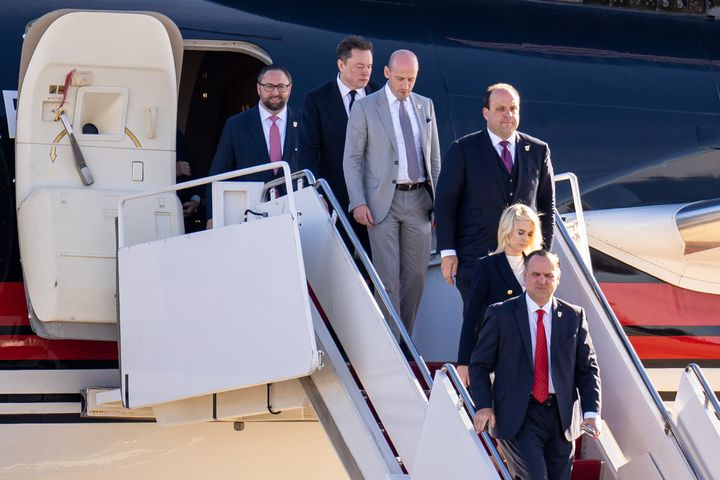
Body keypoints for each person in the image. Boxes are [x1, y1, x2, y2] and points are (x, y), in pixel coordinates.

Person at [470, 250, 601, 480]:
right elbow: (479, 365)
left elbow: (587, 369)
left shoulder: (574, 317)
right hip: (517, 417)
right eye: (536, 274)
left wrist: (591, 413)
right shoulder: (501, 314)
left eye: (549, 275)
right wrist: (484, 405)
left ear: (558, 278)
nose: (542, 280)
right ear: (525, 277)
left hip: (561, 419)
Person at [343, 49, 441, 334]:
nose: (405, 85)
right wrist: (357, 201)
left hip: (420, 199)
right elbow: (352, 158)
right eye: (400, 78)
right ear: (386, 73)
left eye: (411, 79)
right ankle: (390, 344)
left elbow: (433, 159)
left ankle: (404, 341)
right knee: (387, 278)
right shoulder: (365, 107)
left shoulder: (425, 106)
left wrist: (439, 204)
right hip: (381, 202)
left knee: (416, 277)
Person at [434, 83, 555, 308]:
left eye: (513, 108)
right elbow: (444, 205)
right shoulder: (463, 150)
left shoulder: (538, 151)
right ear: (486, 113)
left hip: (524, 263)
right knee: (481, 333)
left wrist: (542, 255)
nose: (508, 114)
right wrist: (448, 252)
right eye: (500, 109)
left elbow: (547, 208)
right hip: (477, 260)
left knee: (520, 334)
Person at [298, 35, 379, 255]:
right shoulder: (317, 99)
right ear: (341, 65)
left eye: (370, 66)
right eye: (359, 66)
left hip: (377, 199)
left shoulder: (380, 95)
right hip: (335, 197)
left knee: (378, 266)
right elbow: (308, 150)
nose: (366, 72)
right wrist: (316, 193)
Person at [456, 203, 542, 387]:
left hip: (532, 350)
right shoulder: (487, 266)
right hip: (497, 351)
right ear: (507, 230)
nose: (525, 239)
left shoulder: (536, 267)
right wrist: (464, 361)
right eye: (520, 232)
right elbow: (471, 316)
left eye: (529, 234)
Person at [205, 64, 300, 227]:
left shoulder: (306, 122)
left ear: (290, 89)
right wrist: (212, 216)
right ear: (258, 88)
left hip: (294, 214)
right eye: (269, 86)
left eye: (281, 87)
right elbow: (218, 173)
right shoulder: (236, 125)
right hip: (250, 214)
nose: (276, 92)